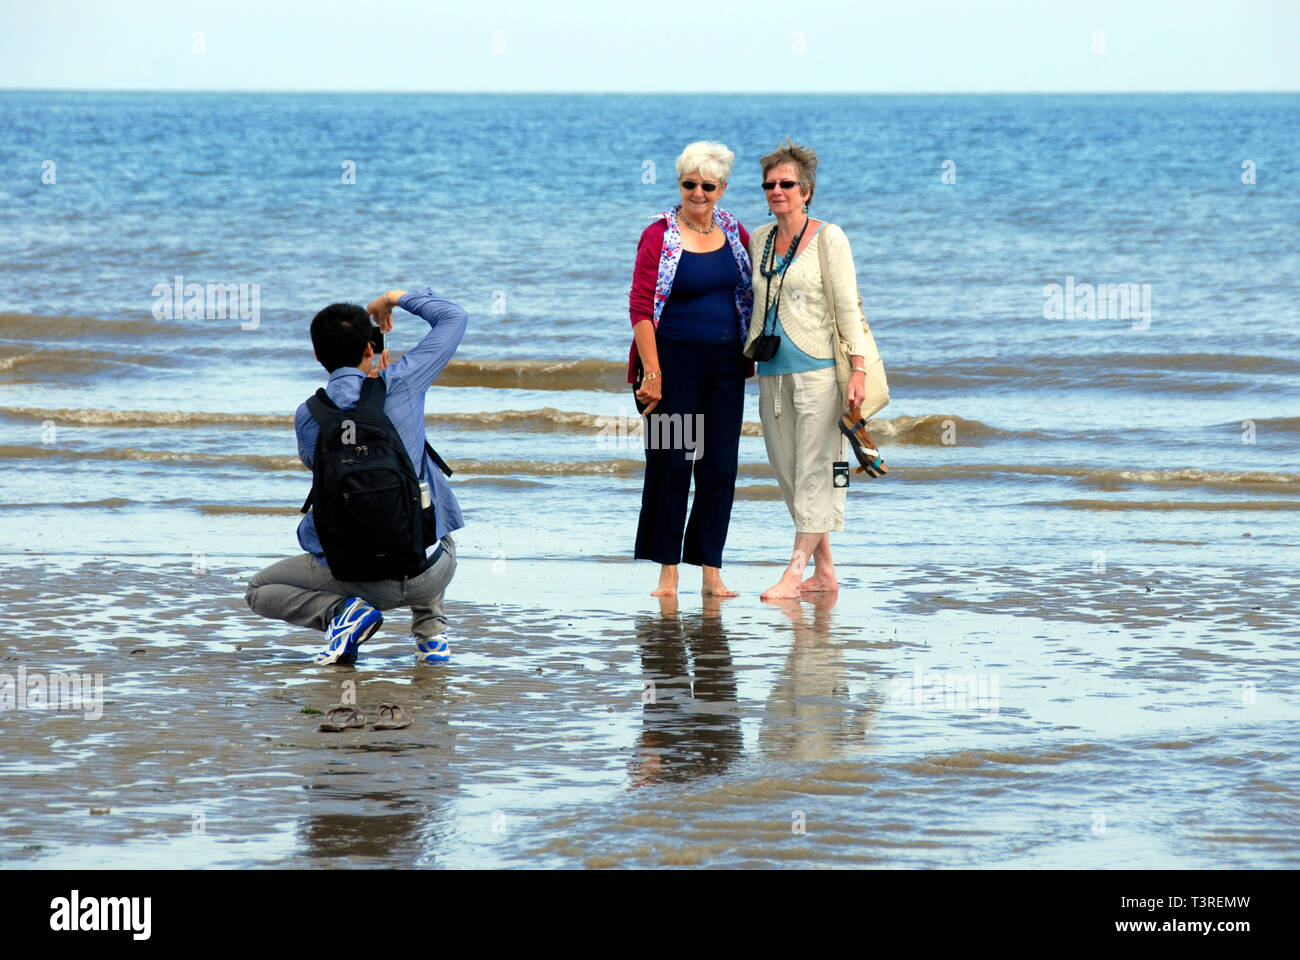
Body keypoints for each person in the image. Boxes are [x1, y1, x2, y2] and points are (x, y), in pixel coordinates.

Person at [245, 286, 467, 665]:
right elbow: (454, 317)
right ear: (370, 348)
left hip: (358, 579)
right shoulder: (402, 383)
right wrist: (394, 298)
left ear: (318, 356)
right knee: (421, 492)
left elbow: (320, 470)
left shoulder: (309, 414)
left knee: (258, 589)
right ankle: (432, 636)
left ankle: (340, 614)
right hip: (431, 571)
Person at [744, 139, 870, 600]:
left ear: (807, 190)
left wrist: (857, 371)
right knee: (789, 471)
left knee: (820, 469)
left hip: (820, 372)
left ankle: (794, 574)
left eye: (787, 184)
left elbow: (848, 309)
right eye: (769, 184)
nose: (777, 191)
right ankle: (827, 574)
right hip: (771, 372)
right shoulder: (758, 239)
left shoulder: (828, 238)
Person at [627, 141, 754, 598]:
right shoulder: (658, 235)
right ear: (679, 184)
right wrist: (653, 373)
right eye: (689, 184)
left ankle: (711, 571)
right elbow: (641, 307)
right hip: (672, 363)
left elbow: (750, 295)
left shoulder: (735, 232)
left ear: (722, 188)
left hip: (726, 366)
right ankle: (667, 573)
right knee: (672, 466)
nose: (697, 193)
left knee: (719, 467)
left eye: (707, 185)